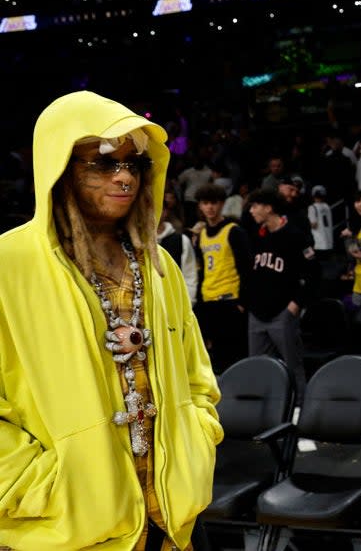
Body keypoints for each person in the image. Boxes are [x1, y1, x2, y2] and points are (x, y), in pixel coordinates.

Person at [0, 91, 221, 550]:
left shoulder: (160, 265)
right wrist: (39, 484)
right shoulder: (9, 265)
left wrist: (195, 443)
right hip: (64, 529)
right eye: (100, 163)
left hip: (169, 520)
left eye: (133, 163)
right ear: (59, 168)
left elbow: (198, 376)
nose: (124, 178)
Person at [246, 188, 316, 406]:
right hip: (257, 313)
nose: (251, 211)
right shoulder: (257, 235)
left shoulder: (295, 235)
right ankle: (264, 409)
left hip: (282, 313)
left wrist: (295, 305)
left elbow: (315, 274)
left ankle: (299, 410)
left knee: (293, 364)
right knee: (257, 366)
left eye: (255, 206)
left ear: (269, 208)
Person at [194, 183, 251, 373]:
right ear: (200, 206)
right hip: (209, 300)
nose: (210, 207)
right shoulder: (201, 234)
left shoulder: (234, 231)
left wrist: (243, 300)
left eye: (214, 203)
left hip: (230, 300)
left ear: (222, 204)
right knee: (214, 355)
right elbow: (201, 271)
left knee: (234, 355)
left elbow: (246, 267)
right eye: (205, 203)